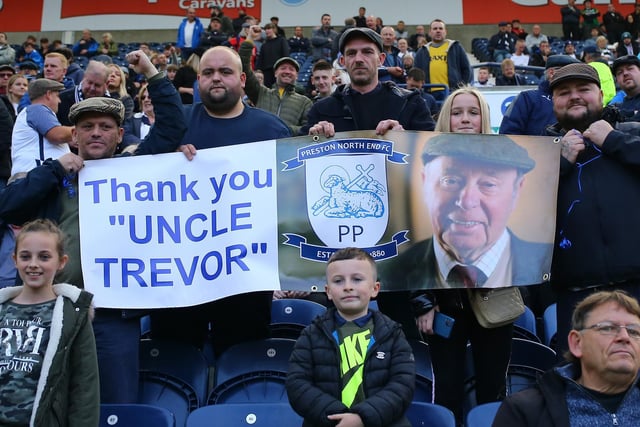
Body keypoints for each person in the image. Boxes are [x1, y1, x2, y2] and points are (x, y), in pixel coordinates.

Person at [0, 50, 186, 404]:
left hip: (114, 314)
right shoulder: (52, 177)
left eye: (105, 127)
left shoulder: (134, 173)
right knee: (52, 405)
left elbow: (172, 127)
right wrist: (54, 169)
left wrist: (152, 73)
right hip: (56, 310)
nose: (96, 133)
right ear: (74, 136)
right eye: (87, 127)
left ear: (119, 136)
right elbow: (7, 206)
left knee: (116, 404)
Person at [378, 86, 548, 425]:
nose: (465, 119)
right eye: (457, 112)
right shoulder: (415, 250)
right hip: (444, 308)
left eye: (473, 112)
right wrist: (424, 303)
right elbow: (415, 244)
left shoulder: (528, 252)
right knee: (447, 388)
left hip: (494, 305)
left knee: (493, 387)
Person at [150, 45, 290, 358]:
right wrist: (164, 163)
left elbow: (289, 196)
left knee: (243, 357)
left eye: (225, 72)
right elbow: (138, 176)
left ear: (242, 79)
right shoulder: (176, 125)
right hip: (181, 273)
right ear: (198, 80)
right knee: (177, 358)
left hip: (246, 274)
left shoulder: (271, 129)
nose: (217, 78)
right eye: (208, 72)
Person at [545, 62, 640, 357]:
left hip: (637, 290)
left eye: (583, 89)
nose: (574, 96)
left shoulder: (631, 133)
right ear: (553, 103)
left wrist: (613, 140)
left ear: (601, 95)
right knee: (579, 391)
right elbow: (515, 207)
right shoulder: (539, 152)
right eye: (564, 92)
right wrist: (558, 164)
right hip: (575, 299)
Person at [286, 247, 415, 427]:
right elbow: (297, 384)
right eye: (338, 281)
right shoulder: (311, 334)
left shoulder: (392, 334)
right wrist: (338, 417)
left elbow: (403, 385)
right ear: (328, 291)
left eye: (357, 279)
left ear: (375, 288)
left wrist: (362, 418)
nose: (348, 286)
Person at [0, 218, 99, 425]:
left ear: (61, 262)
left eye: (44, 257)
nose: (33, 264)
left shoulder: (74, 315)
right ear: (14, 259)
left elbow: (85, 388)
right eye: (25, 256)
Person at [493, 290, 640, 426]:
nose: (624, 337)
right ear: (576, 343)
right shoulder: (524, 412)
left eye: (634, 331)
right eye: (608, 328)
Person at [302, 27, 435, 137]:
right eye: (351, 53)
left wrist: (406, 139)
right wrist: (311, 139)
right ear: (342, 62)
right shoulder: (321, 110)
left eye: (367, 52)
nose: (359, 59)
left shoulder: (410, 103)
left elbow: (432, 153)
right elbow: (298, 156)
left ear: (381, 59)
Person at [240, 29, 312, 135]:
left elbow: (307, 130)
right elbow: (243, 67)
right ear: (275, 73)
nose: (287, 71)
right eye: (283, 68)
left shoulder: (305, 102)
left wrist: (281, 129)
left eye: (291, 69)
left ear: (297, 76)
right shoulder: (261, 93)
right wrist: (250, 38)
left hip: (287, 149)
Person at [500, 55, 580, 136]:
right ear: (551, 73)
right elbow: (508, 136)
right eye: (569, 73)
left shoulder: (579, 101)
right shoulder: (527, 99)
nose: (574, 79)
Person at [11, 79, 72, 176]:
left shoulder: (32, 112)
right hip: (34, 176)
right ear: (48, 94)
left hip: (35, 177)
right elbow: (57, 135)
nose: (59, 101)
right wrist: (84, 130)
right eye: (57, 96)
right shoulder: (37, 109)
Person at [414, 19, 472, 93]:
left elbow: (466, 70)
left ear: (445, 32)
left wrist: (459, 89)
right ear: (430, 33)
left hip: (451, 92)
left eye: (441, 28)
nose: (438, 31)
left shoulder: (456, 47)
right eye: (435, 29)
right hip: (429, 93)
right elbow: (416, 73)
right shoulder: (422, 51)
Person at [56, 59, 110, 126]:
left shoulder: (113, 105)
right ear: (84, 77)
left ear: (106, 84)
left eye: (97, 85)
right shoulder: (62, 100)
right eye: (89, 83)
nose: (92, 88)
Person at [256, 22, 290, 88]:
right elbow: (261, 58)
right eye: (265, 29)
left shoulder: (281, 40)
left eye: (269, 29)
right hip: (266, 71)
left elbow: (286, 55)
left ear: (274, 29)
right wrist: (258, 69)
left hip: (278, 69)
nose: (266, 31)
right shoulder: (264, 45)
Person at [612, 55, 640, 120]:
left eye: (630, 69)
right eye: (620, 72)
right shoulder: (617, 108)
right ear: (617, 81)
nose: (625, 73)